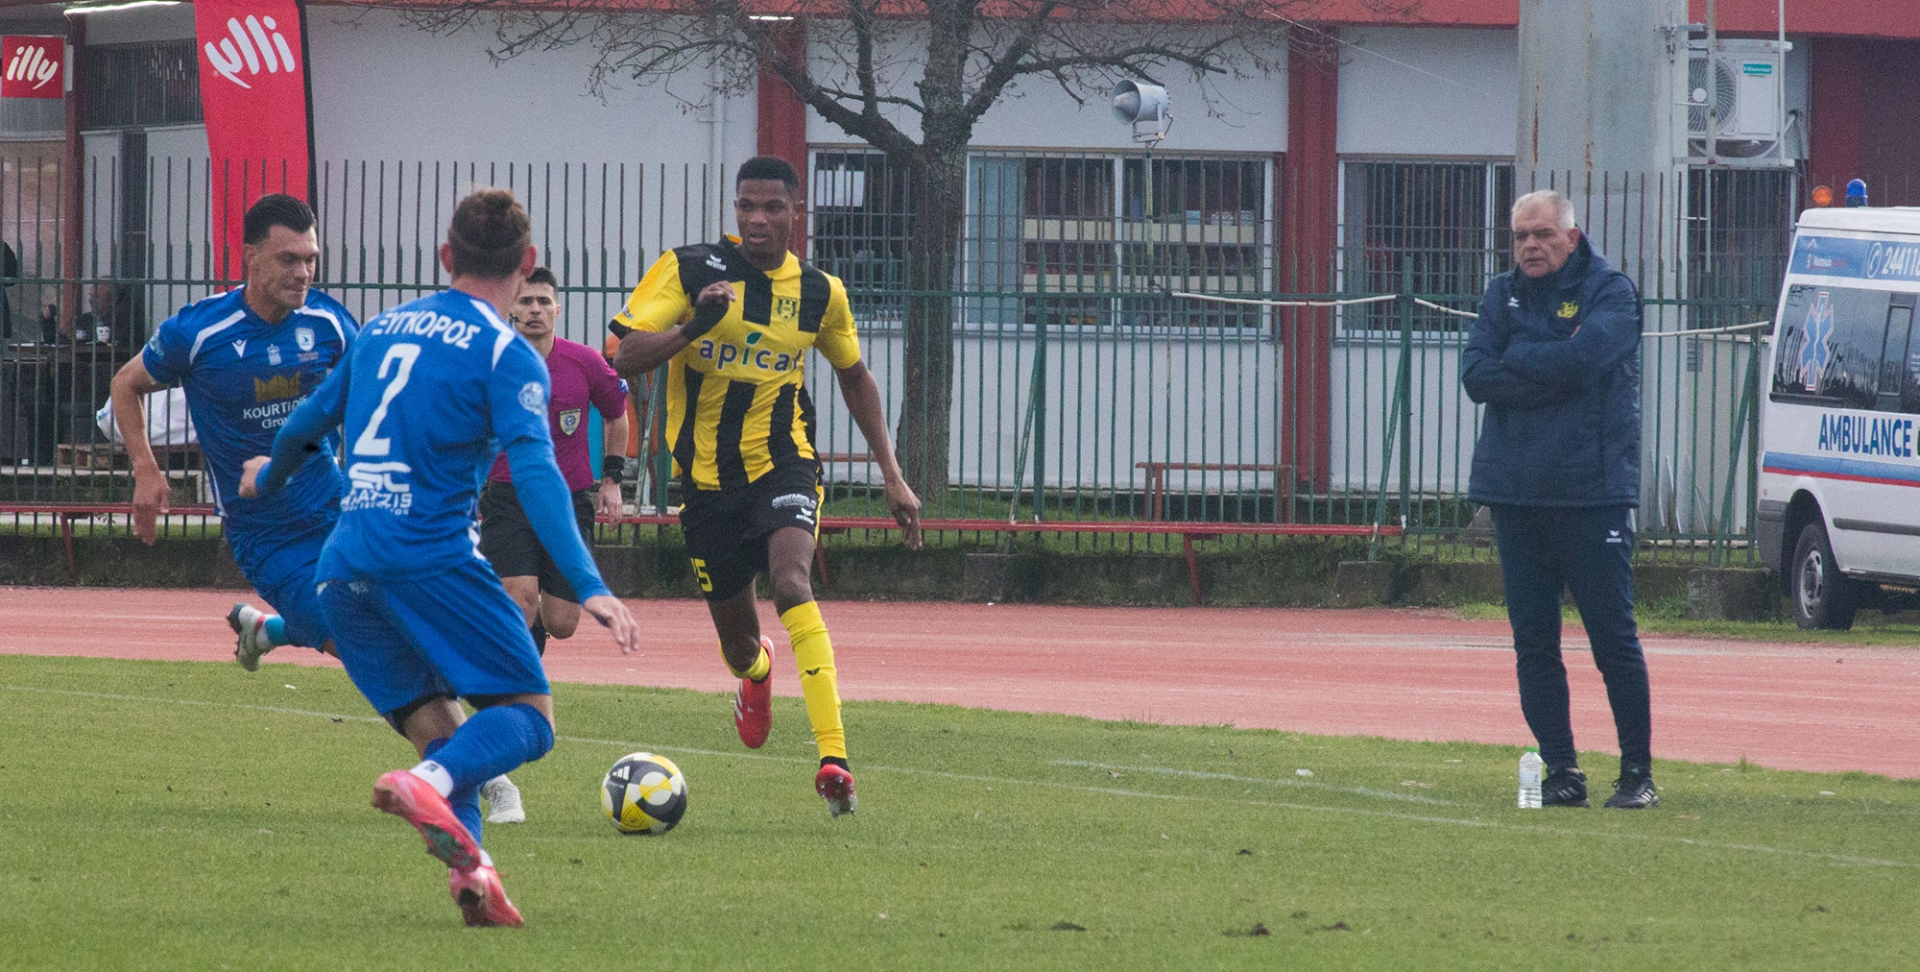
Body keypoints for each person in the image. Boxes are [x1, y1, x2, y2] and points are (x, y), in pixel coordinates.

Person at [241, 188, 640, 927]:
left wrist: (267, 478)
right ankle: (426, 782)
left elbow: (307, 422)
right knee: (529, 717)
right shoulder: (506, 354)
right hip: (429, 557)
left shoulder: (381, 329)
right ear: (526, 262)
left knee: (445, 732)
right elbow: (538, 471)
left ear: (445, 255)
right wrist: (589, 583)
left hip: (342, 565)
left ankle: (475, 878)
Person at [611, 155, 921, 818]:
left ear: (795, 214)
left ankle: (834, 760)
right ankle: (757, 673)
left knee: (791, 583)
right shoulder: (690, 269)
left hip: (784, 461)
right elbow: (624, 355)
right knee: (739, 647)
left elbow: (854, 376)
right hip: (704, 482)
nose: (757, 219)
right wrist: (693, 327)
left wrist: (893, 475)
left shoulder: (820, 293)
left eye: (772, 207)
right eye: (746, 206)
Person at [1461, 189, 1656, 810]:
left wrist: (1519, 358)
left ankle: (1637, 775)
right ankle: (1563, 772)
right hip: (1515, 494)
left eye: (1542, 234)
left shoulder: (1611, 292)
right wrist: (1549, 372)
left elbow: (1584, 361)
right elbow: (1475, 375)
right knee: (1534, 642)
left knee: (1612, 639)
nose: (1530, 246)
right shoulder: (1501, 294)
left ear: (1572, 236)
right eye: (1520, 235)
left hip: (1590, 493)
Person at [108, 194, 357, 672]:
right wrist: (145, 468)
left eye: (310, 259)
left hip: (339, 509)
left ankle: (265, 631)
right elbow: (125, 384)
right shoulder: (199, 331)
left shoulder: (329, 322)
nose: (303, 273)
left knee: (405, 623)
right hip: (267, 535)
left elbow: (368, 396)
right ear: (251, 256)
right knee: (366, 647)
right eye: (288, 259)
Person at [482, 266, 629, 656]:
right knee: (520, 601)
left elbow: (617, 415)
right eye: (526, 301)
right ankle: (518, 667)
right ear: (511, 308)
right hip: (508, 495)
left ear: (557, 310)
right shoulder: (492, 361)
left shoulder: (584, 362)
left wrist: (612, 480)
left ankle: (535, 628)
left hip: (568, 499)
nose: (535, 309)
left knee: (562, 623)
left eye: (543, 301)